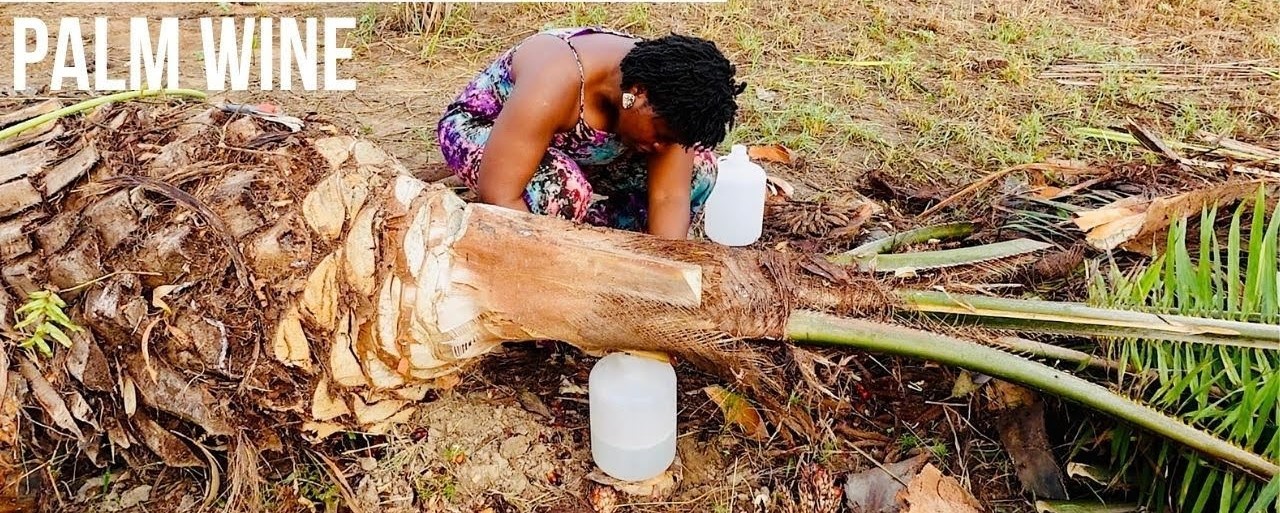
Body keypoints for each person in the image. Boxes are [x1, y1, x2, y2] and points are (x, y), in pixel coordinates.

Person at [435, 27, 745, 240]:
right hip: (491, 135)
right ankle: (560, 249)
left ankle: (600, 243)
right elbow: (499, 194)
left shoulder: (672, 103)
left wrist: (666, 276)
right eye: (660, 134)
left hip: (574, 152)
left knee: (699, 171)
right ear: (637, 93)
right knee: (563, 189)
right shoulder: (558, 76)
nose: (660, 145)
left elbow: (669, 196)